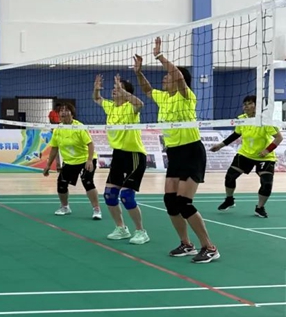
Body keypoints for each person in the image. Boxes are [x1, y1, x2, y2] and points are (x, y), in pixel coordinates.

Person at [134, 37, 219, 263]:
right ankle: (186, 244)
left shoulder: (186, 95)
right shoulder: (164, 98)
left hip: (191, 152)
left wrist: (159, 56)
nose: (165, 77)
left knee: (184, 202)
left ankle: (209, 247)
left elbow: (179, 77)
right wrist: (139, 72)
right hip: (174, 153)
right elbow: (146, 89)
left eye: (168, 76)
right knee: (170, 202)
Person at [93, 74, 150, 244]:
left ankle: (141, 231)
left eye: (118, 89)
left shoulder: (130, 107)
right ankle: (121, 228)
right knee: (109, 195)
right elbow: (97, 98)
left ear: (126, 93)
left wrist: (123, 91)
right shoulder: (111, 107)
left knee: (126, 196)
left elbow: (140, 104)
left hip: (134, 155)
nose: (114, 91)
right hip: (118, 155)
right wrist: (96, 89)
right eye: (114, 89)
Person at [210, 95, 281, 218]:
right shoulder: (241, 119)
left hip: (264, 157)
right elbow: (236, 134)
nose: (246, 106)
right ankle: (229, 199)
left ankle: (260, 207)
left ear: (257, 106)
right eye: (244, 104)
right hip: (245, 154)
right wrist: (220, 145)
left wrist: (267, 150)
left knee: (267, 184)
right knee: (230, 177)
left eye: (249, 104)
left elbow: (279, 138)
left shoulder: (265, 121)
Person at [43, 103, 102, 219]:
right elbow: (54, 148)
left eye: (66, 110)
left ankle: (96, 209)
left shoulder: (79, 127)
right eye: (61, 110)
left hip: (85, 159)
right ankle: (65, 207)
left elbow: (90, 144)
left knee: (87, 181)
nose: (63, 112)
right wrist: (48, 165)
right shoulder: (58, 129)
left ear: (72, 113)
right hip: (69, 161)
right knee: (61, 183)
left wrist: (89, 160)